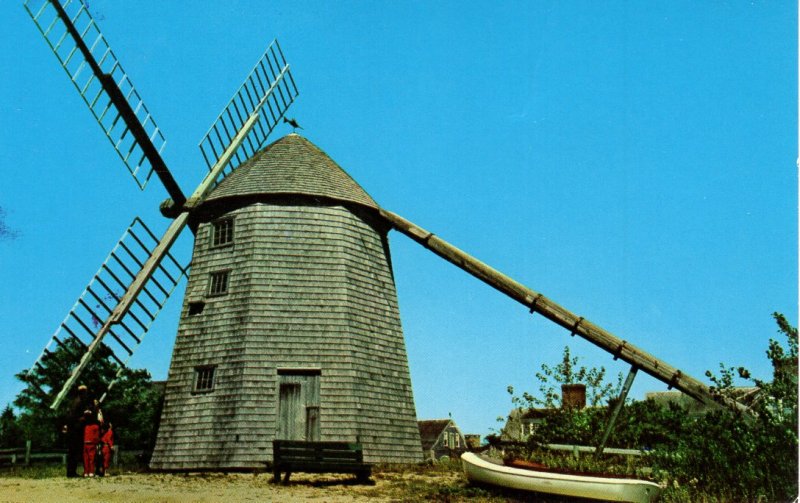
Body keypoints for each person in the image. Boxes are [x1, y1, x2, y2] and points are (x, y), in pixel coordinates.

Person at [63, 385, 94, 478]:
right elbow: (72, 417)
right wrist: (84, 416)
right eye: (85, 392)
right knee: (74, 451)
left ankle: (71, 472)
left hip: (74, 429)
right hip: (75, 430)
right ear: (83, 392)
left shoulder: (77, 402)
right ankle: (71, 472)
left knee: (74, 451)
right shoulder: (78, 402)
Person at [82, 409, 101, 477]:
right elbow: (97, 436)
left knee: (86, 459)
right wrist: (97, 442)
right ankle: (91, 471)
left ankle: (86, 472)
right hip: (92, 443)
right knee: (91, 459)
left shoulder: (85, 426)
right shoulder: (95, 426)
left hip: (85, 443)